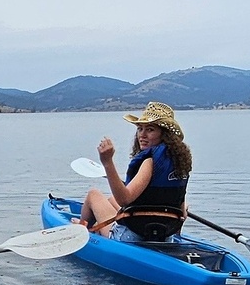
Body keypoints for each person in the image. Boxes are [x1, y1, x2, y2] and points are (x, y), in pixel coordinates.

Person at [80, 101, 192, 242]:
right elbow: (182, 213)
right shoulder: (180, 163)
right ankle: (94, 226)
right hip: (165, 236)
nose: (142, 135)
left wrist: (107, 162)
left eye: (150, 129)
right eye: (140, 129)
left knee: (93, 195)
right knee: (110, 200)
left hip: (132, 236)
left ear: (165, 135)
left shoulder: (149, 162)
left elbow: (124, 200)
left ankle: (81, 230)